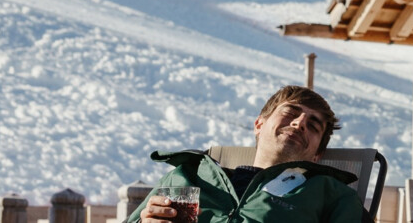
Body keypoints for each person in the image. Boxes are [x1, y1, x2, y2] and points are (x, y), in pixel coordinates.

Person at [133, 85, 364, 223]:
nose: (299, 123)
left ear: (317, 155)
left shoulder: (329, 194)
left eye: (313, 126)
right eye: (290, 113)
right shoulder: (189, 175)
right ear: (259, 125)